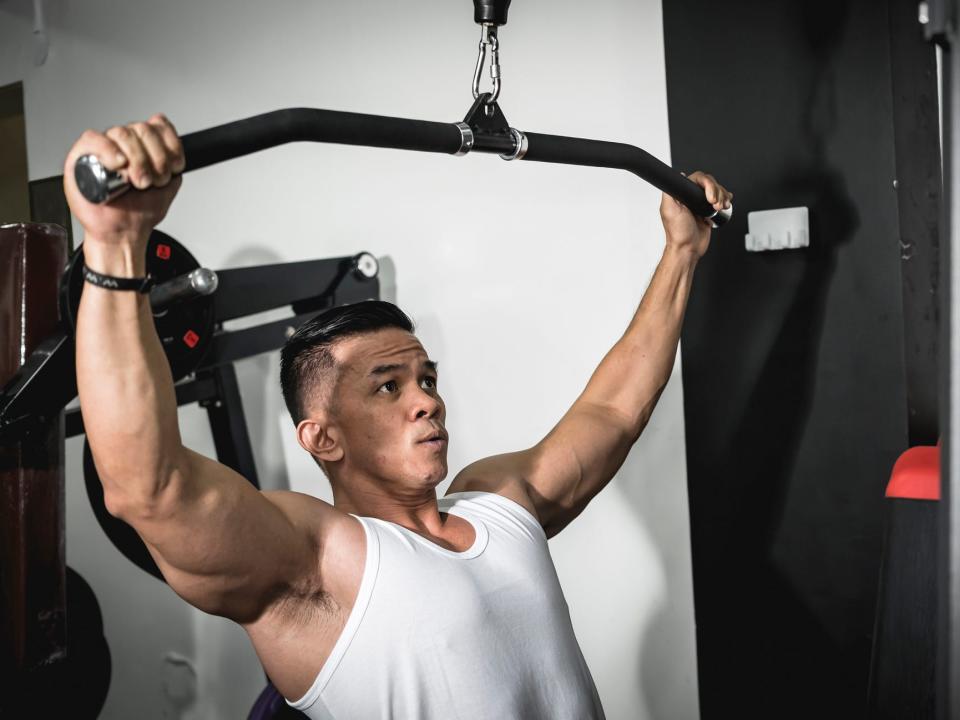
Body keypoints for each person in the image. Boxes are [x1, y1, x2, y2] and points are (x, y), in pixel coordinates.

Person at [64, 114, 732, 720]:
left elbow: (614, 408)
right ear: (321, 437)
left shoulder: (498, 503)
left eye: (427, 378)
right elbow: (149, 491)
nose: (428, 400)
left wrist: (681, 253)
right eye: (387, 387)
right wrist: (117, 249)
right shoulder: (319, 565)